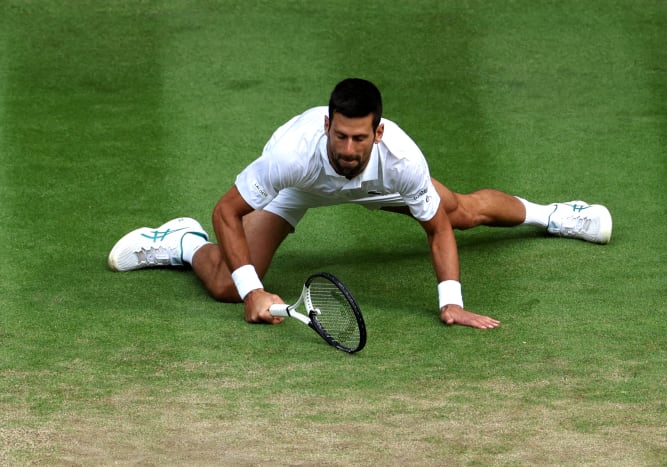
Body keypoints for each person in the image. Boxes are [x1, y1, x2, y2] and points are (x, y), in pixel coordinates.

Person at [108, 78, 612, 330]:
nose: (349, 150)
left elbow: (438, 229)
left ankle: (556, 216)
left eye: (360, 139)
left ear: (378, 132)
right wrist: (250, 293)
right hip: (302, 187)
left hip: (377, 186)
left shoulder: (401, 160)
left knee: (461, 211)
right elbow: (227, 211)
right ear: (327, 125)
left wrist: (450, 303)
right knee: (224, 283)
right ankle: (180, 241)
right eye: (341, 136)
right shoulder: (290, 155)